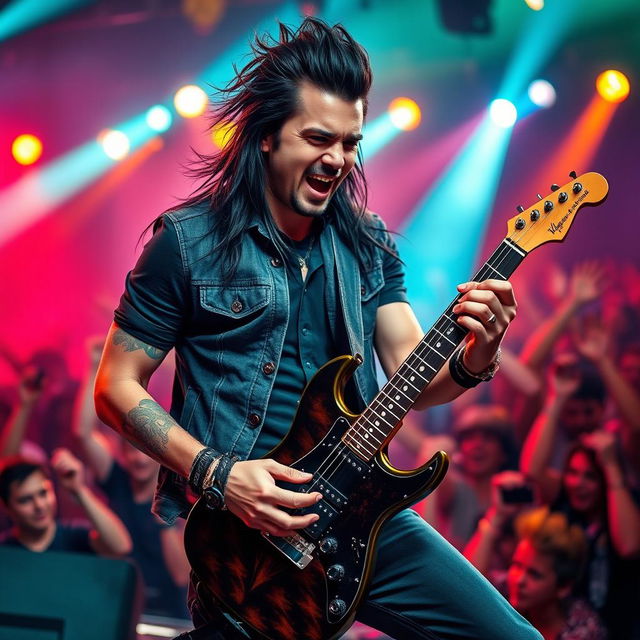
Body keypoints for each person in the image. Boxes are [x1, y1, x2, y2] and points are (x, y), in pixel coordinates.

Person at [94, 18, 540, 639]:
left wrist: (477, 352)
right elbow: (115, 386)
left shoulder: (367, 243)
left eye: (351, 143)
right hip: (248, 537)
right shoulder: (187, 244)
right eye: (318, 139)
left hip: (360, 510)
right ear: (268, 139)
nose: (338, 160)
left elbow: (415, 368)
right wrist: (218, 474)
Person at [74, 338, 190, 618]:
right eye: (131, 451)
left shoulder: (177, 492)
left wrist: (164, 525)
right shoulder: (117, 480)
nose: (138, 459)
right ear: (122, 453)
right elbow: (82, 434)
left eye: (145, 453)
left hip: (165, 614)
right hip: (114, 601)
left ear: (158, 453)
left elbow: (181, 577)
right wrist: (94, 368)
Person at [0, 450, 132, 555]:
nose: (39, 505)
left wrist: (79, 490)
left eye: (43, 493)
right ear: (7, 507)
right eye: (25, 500)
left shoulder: (74, 536)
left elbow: (121, 547)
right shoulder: (5, 551)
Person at [507, 508, 607, 640]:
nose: (519, 580)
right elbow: (471, 590)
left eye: (534, 574)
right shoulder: (504, 592)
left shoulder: (584, 631)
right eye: (517, 565)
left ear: (563, 587)